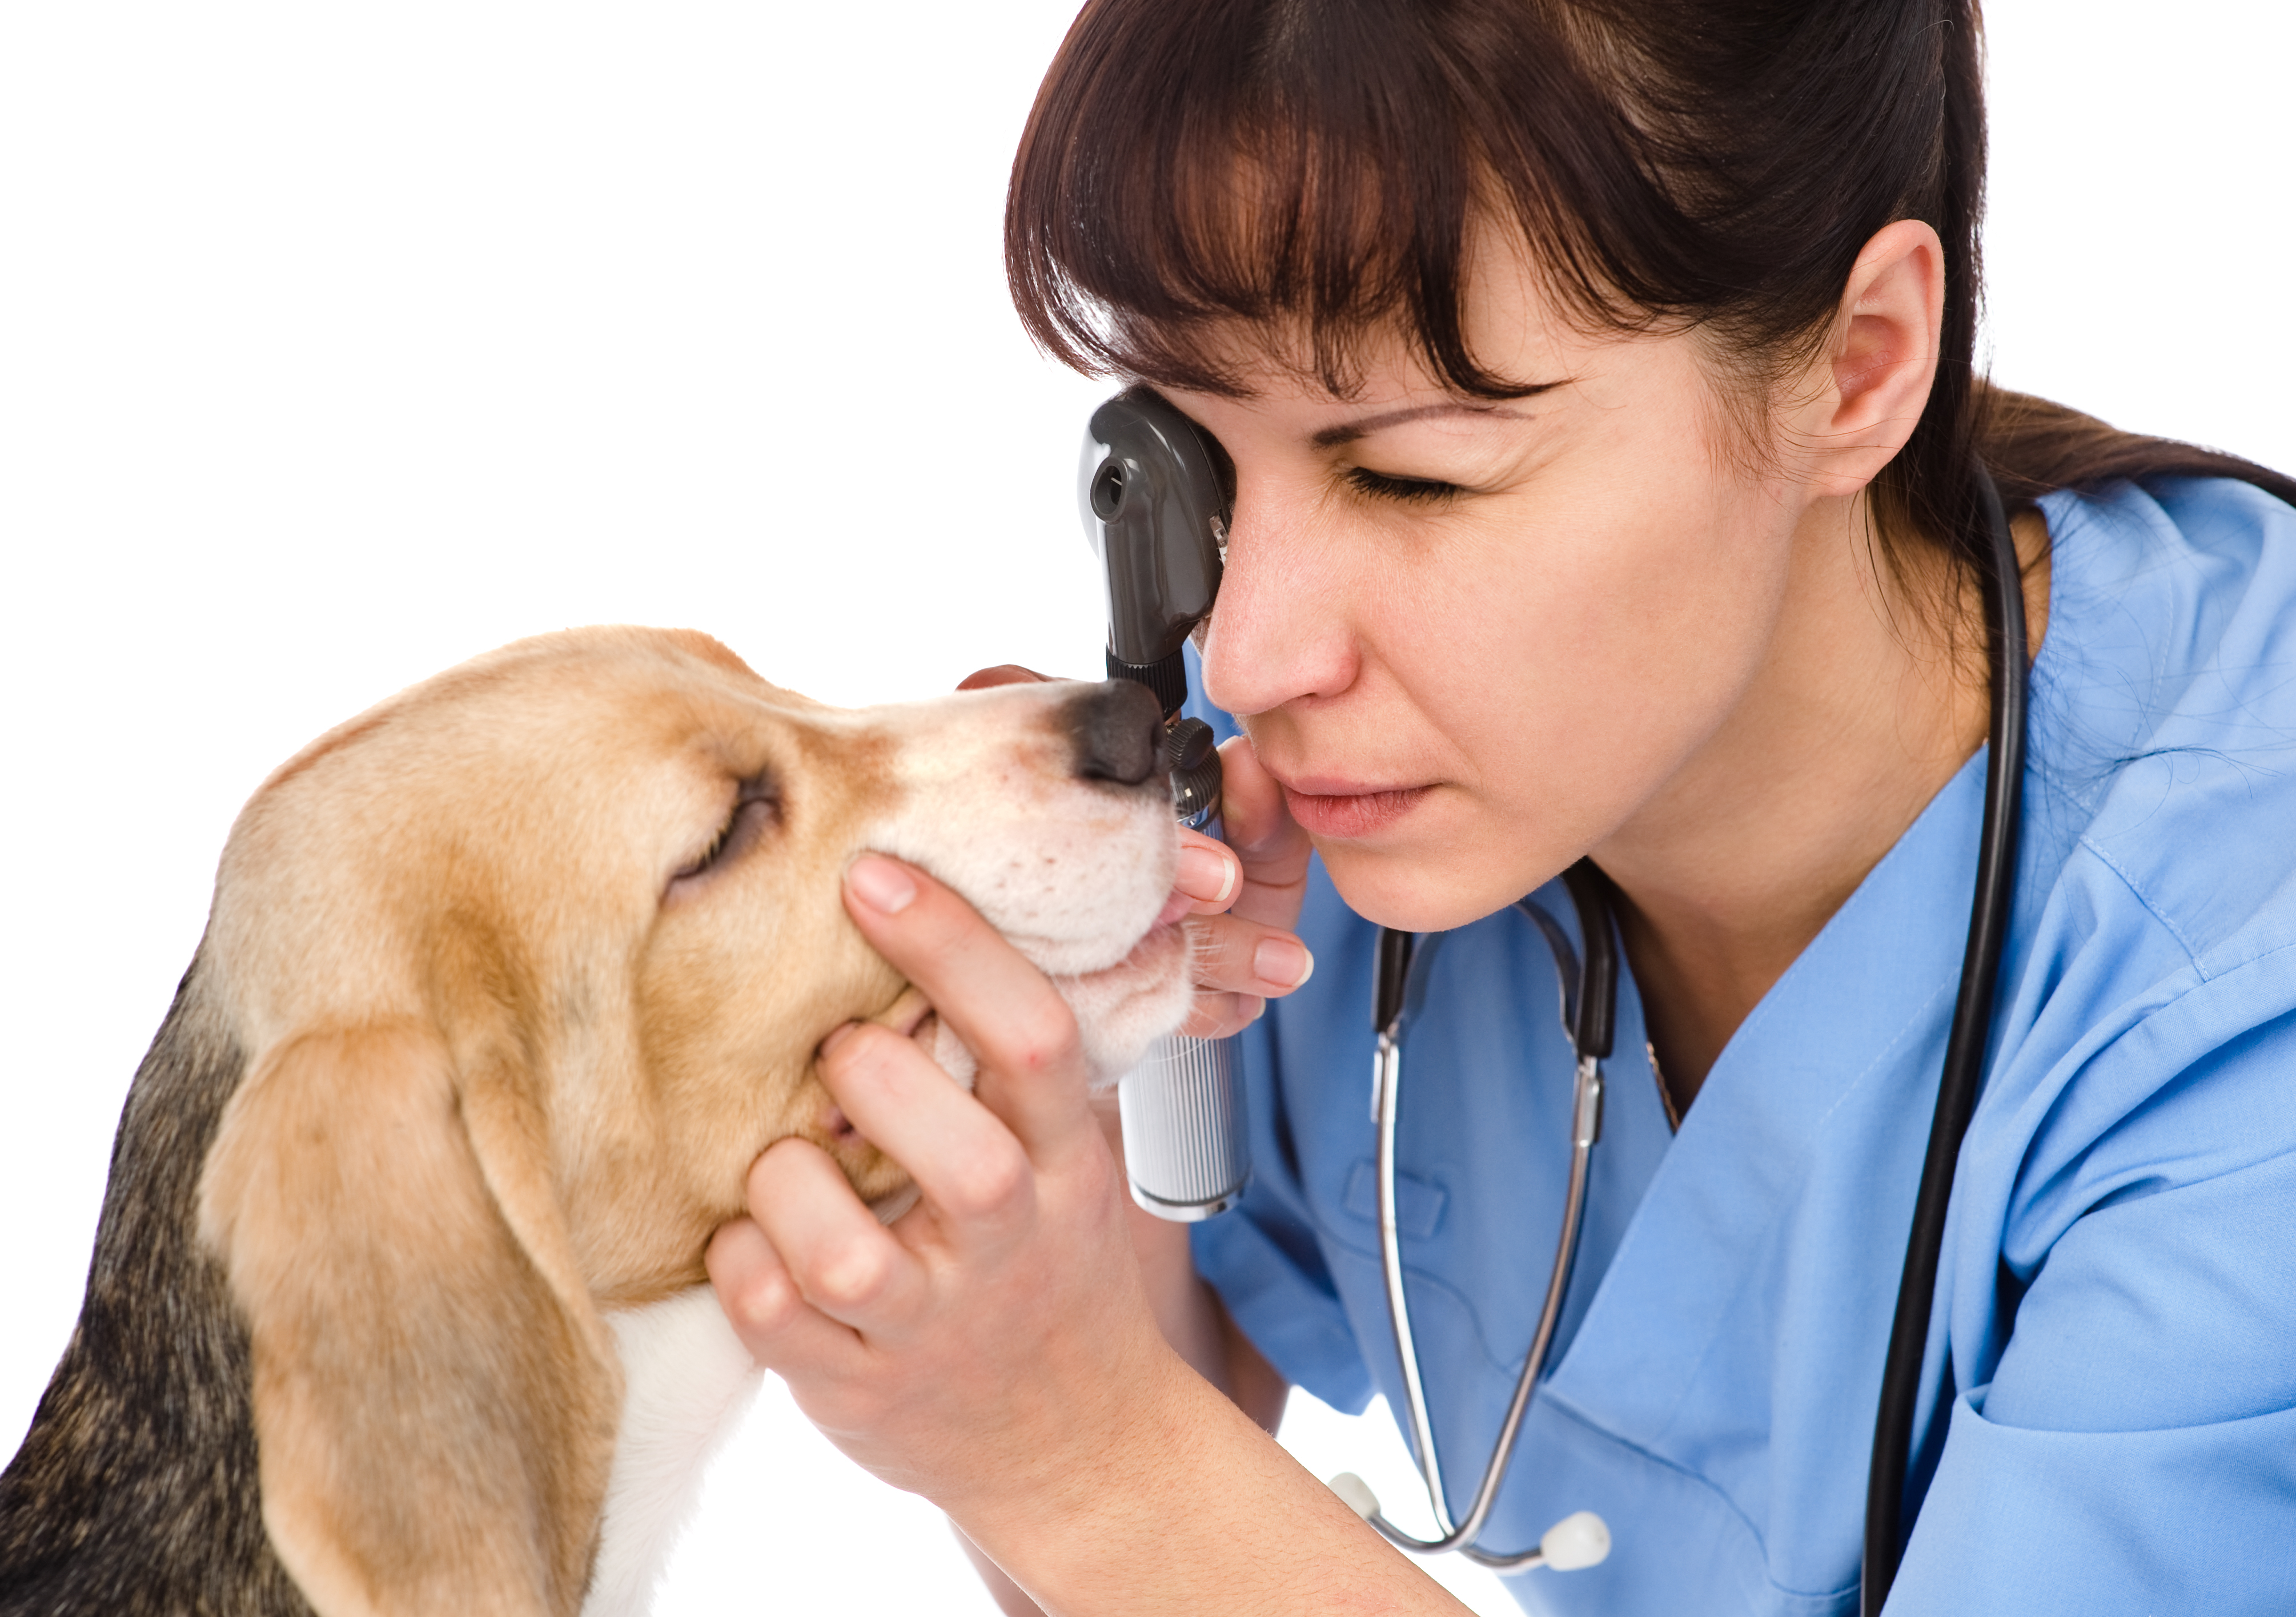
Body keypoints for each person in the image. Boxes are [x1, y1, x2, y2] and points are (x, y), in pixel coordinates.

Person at [705, 1, 2296, 1612]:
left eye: (1412, 476)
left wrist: (1069, 1449)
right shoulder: (1311, 814)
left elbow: (1129, 1486)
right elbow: (1139, 1499)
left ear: (1858, 365)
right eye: (1202, 457)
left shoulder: (2243, 1025)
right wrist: (1075, 1123)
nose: (1246, 653)